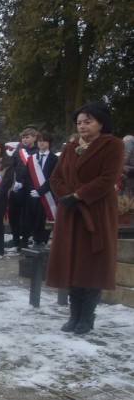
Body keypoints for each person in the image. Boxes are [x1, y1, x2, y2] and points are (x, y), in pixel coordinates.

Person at [46, 100, 124, 335]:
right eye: (79, 122)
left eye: (87, 122)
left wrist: (79, 194)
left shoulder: (113, 145)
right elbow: (55, 178)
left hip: (95, 211)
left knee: (91, 263)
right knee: (72, 262)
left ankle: (87, 315)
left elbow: (108, 178)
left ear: (101, 123)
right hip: (71, 213)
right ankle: (74, 313)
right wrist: (66, 196)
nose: (82, 126)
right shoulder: (70, 148)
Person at [25, 131, 59, 247]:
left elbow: (53, 177)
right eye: (39, 141)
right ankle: (35, 237)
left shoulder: (54, 159)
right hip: (34, 193)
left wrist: (41, 191)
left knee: (45, 217)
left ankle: (43, 239)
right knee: (34, 216)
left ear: (49, 143)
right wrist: (32, 189)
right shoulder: (32, 159)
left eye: (44, 141)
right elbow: (28, 176)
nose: (41, 143)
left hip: (47, 193)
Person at [8, 126, 39, 250]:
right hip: (18, 186)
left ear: (34, 138)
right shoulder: (18, 150)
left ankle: (25, 239)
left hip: (32, 187)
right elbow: (12, 165)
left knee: (28, 215)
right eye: (23, 137)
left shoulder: (38, 151)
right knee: (13, 213)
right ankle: (15, 238)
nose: (24, 140)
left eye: (27, 137)